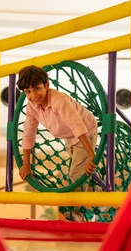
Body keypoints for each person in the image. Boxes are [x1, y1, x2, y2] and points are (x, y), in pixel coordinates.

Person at [16, 65, 98, 221]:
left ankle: (77, 214)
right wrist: (26, 163)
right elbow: (28, 133)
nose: (33, 95)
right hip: (68, 136)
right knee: (81, 170)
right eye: (28, 92)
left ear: (47, 85)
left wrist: (92, 155)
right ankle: (98, 193)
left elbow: (77, 126)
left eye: (37, 89)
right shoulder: (32, 107)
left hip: (85, 132)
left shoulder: (59, 101)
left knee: (75, 174)